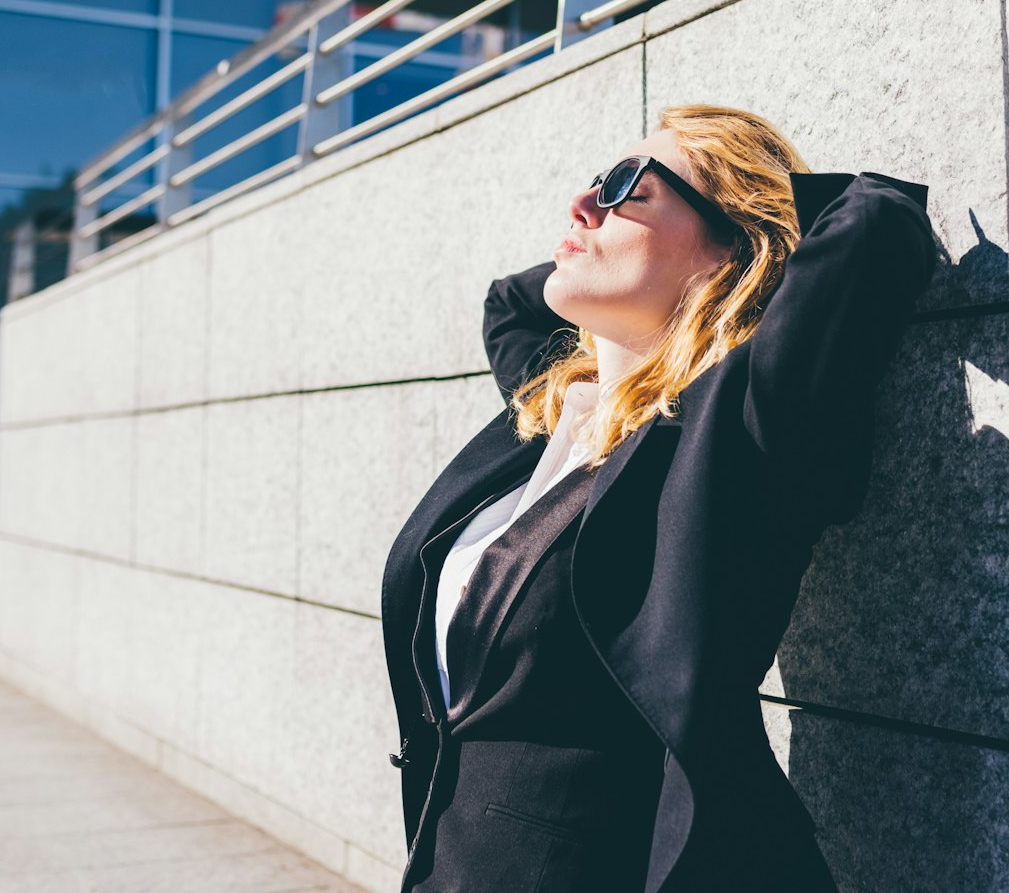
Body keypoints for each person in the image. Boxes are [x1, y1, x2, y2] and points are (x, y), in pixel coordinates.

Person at [379, 102, 939, 892]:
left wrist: (759, 248)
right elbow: (508, 302)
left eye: (623, 185)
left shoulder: (737, 429)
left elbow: (875, 219)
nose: (583, 204)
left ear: (724, 248)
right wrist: (609, 260)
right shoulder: (547, 421)